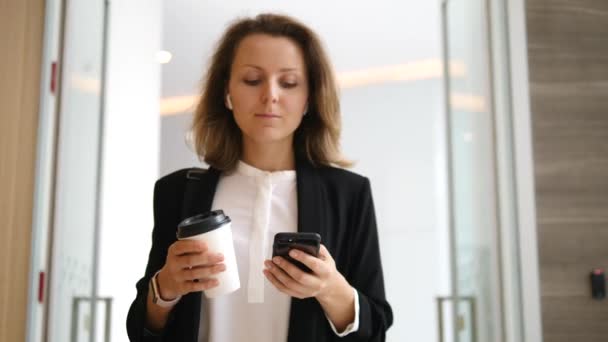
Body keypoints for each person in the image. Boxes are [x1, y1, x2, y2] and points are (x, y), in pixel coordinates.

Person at [127, 13, 392, 342]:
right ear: (227, 93)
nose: (271, 95)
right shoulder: (177, 192)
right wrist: (165, 286)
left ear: (309, 98)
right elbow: (141, 329)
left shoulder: (349, 194)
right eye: (252, 80)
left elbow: (376, 330)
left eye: (289, 82)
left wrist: (331, 289)